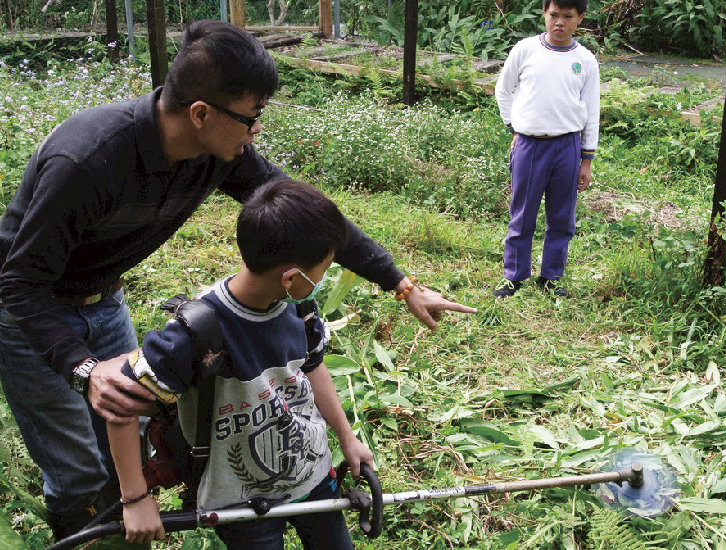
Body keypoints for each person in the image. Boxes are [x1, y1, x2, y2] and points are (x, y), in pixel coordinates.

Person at [0, 19, 475, 540]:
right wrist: (83, 368)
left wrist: (400, 284)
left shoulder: (217, 153)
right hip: (27, 311)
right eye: (252, 118)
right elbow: (19, 281)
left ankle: (122, 520)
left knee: (130, 440)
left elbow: (313, 220)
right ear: (200, 113)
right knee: (77, 470)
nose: (256, 132)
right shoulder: (87, 160)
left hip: (104, 297)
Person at [108, 178, 373, 549]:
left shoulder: (299, 308)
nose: (322, 280)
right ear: (291, 278)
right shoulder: (194, 333)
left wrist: (347, 438)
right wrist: (134, 499)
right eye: (323, 270)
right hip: (240, 501)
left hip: (311, 475)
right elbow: (119, 407)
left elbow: (313, 368)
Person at [492, 0, 600, 299]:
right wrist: (513, 127)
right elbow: (503, 89)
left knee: (562, 216)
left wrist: (586, 159)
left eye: (568, 16)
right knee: (522, 213)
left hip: (568, 146)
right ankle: (514, 276)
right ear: (544, 13)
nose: (559, 23)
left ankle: (551, 277)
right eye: (554, 15)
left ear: (580, 18)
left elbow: (592, 110)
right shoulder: (526, 50)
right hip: (529, 144)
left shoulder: (585, 60)